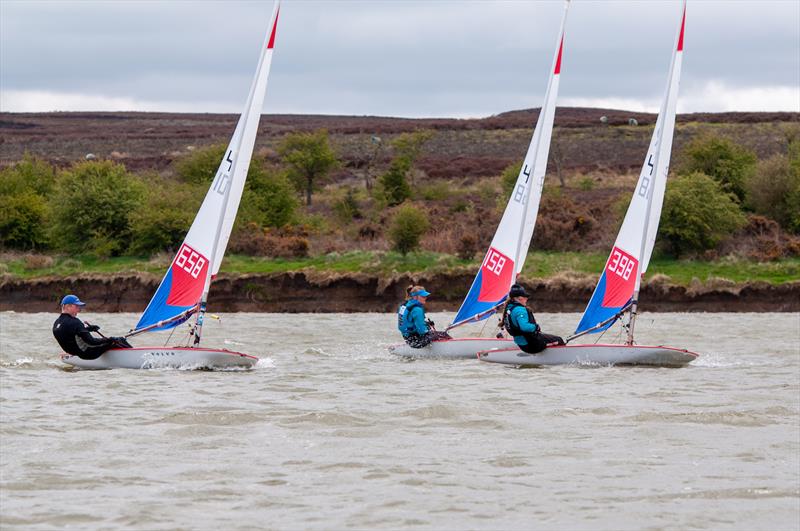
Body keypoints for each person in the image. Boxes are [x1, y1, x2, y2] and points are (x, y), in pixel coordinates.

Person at [53, 294, 131, 360]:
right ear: (68, 306)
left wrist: (88, 329)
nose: (79, 310)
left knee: (110, 341)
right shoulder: (75, 322)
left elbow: (71, 335)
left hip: (76, 353)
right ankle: (134, 356)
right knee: (119, 340)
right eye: (77, 306)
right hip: (88, 353)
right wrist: (109, 339)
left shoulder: (56, 323)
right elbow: (92, 342)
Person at [502, 284, 564, 354]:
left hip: (522, 345)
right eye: (525, 297)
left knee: (546, 338)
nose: (527, 299)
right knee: (559, 340)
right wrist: (536, 327)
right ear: (519, 298)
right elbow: (524, 327)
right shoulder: (519, 310)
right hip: (532, 345)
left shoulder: (509, 309)